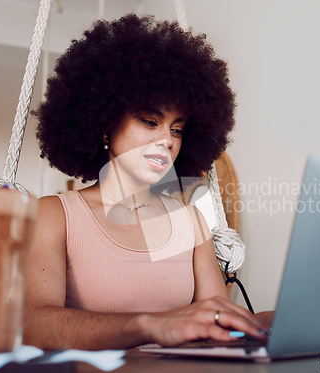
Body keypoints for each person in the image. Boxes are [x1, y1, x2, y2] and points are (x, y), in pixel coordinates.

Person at [23, 13, 271, 351]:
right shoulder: (54, 214)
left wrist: (278, 319)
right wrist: (150, 325)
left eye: (177, 129)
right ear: (105, 123)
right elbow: (35, 325)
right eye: (150, 121)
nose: (167, 140)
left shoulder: (191, 221)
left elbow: (218, 319)